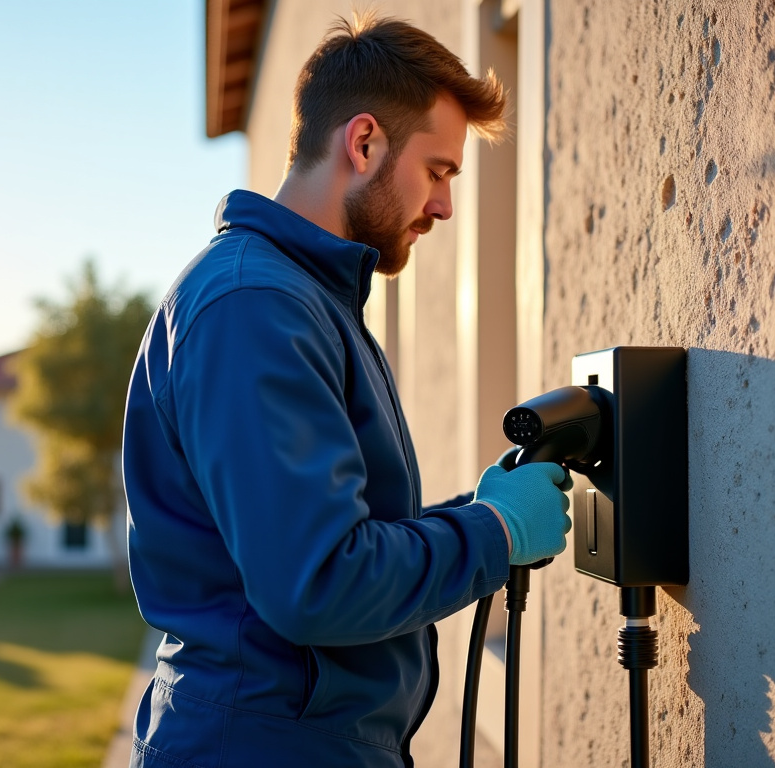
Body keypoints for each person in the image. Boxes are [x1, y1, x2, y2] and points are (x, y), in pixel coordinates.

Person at [121, 13, 572, 768]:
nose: (444, 207)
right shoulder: (255, 308)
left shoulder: (303, 298)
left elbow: (327, 537)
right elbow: (318, 582)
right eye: (438, 171)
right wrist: (493, 536)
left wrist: (477, 512)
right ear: (363, 143)